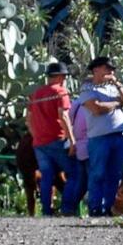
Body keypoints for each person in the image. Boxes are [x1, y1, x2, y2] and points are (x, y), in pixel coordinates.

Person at [25, 61, 84, 216]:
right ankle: (67, 208)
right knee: (74, 174)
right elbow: (63, 116)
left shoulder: (36, 94)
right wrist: (72, 140)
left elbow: (28, 119)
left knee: (47, 176)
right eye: (63, 76)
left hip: (39, 143)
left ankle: (46, 210)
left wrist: (35, 135)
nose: (64, 79)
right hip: (57, 140)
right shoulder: (60, 92)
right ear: (59, 77)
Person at [76, 55, 123, 217]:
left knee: (115, 174)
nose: (111, 72)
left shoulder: (113, 87)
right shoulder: (87, 88)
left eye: (112, 69)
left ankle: (110, 207)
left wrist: (118, 85)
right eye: (107, 68)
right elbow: (96, 109)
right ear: (96, 69)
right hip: (99, 138)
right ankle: (95, 207)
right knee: (98, 173)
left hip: (119, 135)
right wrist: (116, 103)